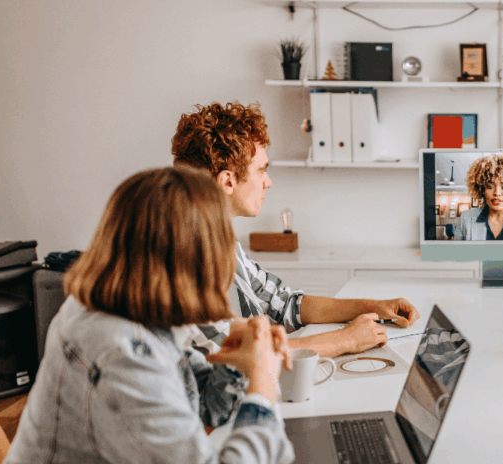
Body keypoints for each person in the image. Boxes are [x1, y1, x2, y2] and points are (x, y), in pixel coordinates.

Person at [0, 167, 296, 464]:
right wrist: (263, 383)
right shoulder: (117, 349)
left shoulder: (130, 311)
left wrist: (235, 366)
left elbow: (204, 405)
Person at [171, 101, 420, 357]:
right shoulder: (182, 256)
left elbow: (281, 304)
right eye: (261, 171)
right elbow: (230, 358)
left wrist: (375, 307)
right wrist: (344, 340)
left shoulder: (218, 237)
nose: (268, 182)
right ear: (228, 181)